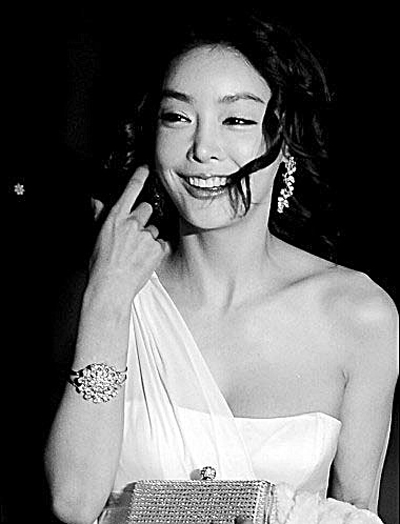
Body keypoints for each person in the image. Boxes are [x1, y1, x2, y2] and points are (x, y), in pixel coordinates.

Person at [44, 10, 398, 524]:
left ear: (286, 143)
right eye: (177, 117)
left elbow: (356, 514)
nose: (203, 149)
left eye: (236, 120)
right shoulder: (104, 293)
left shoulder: (360, 315)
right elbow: (73, 503)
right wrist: (108, 298)